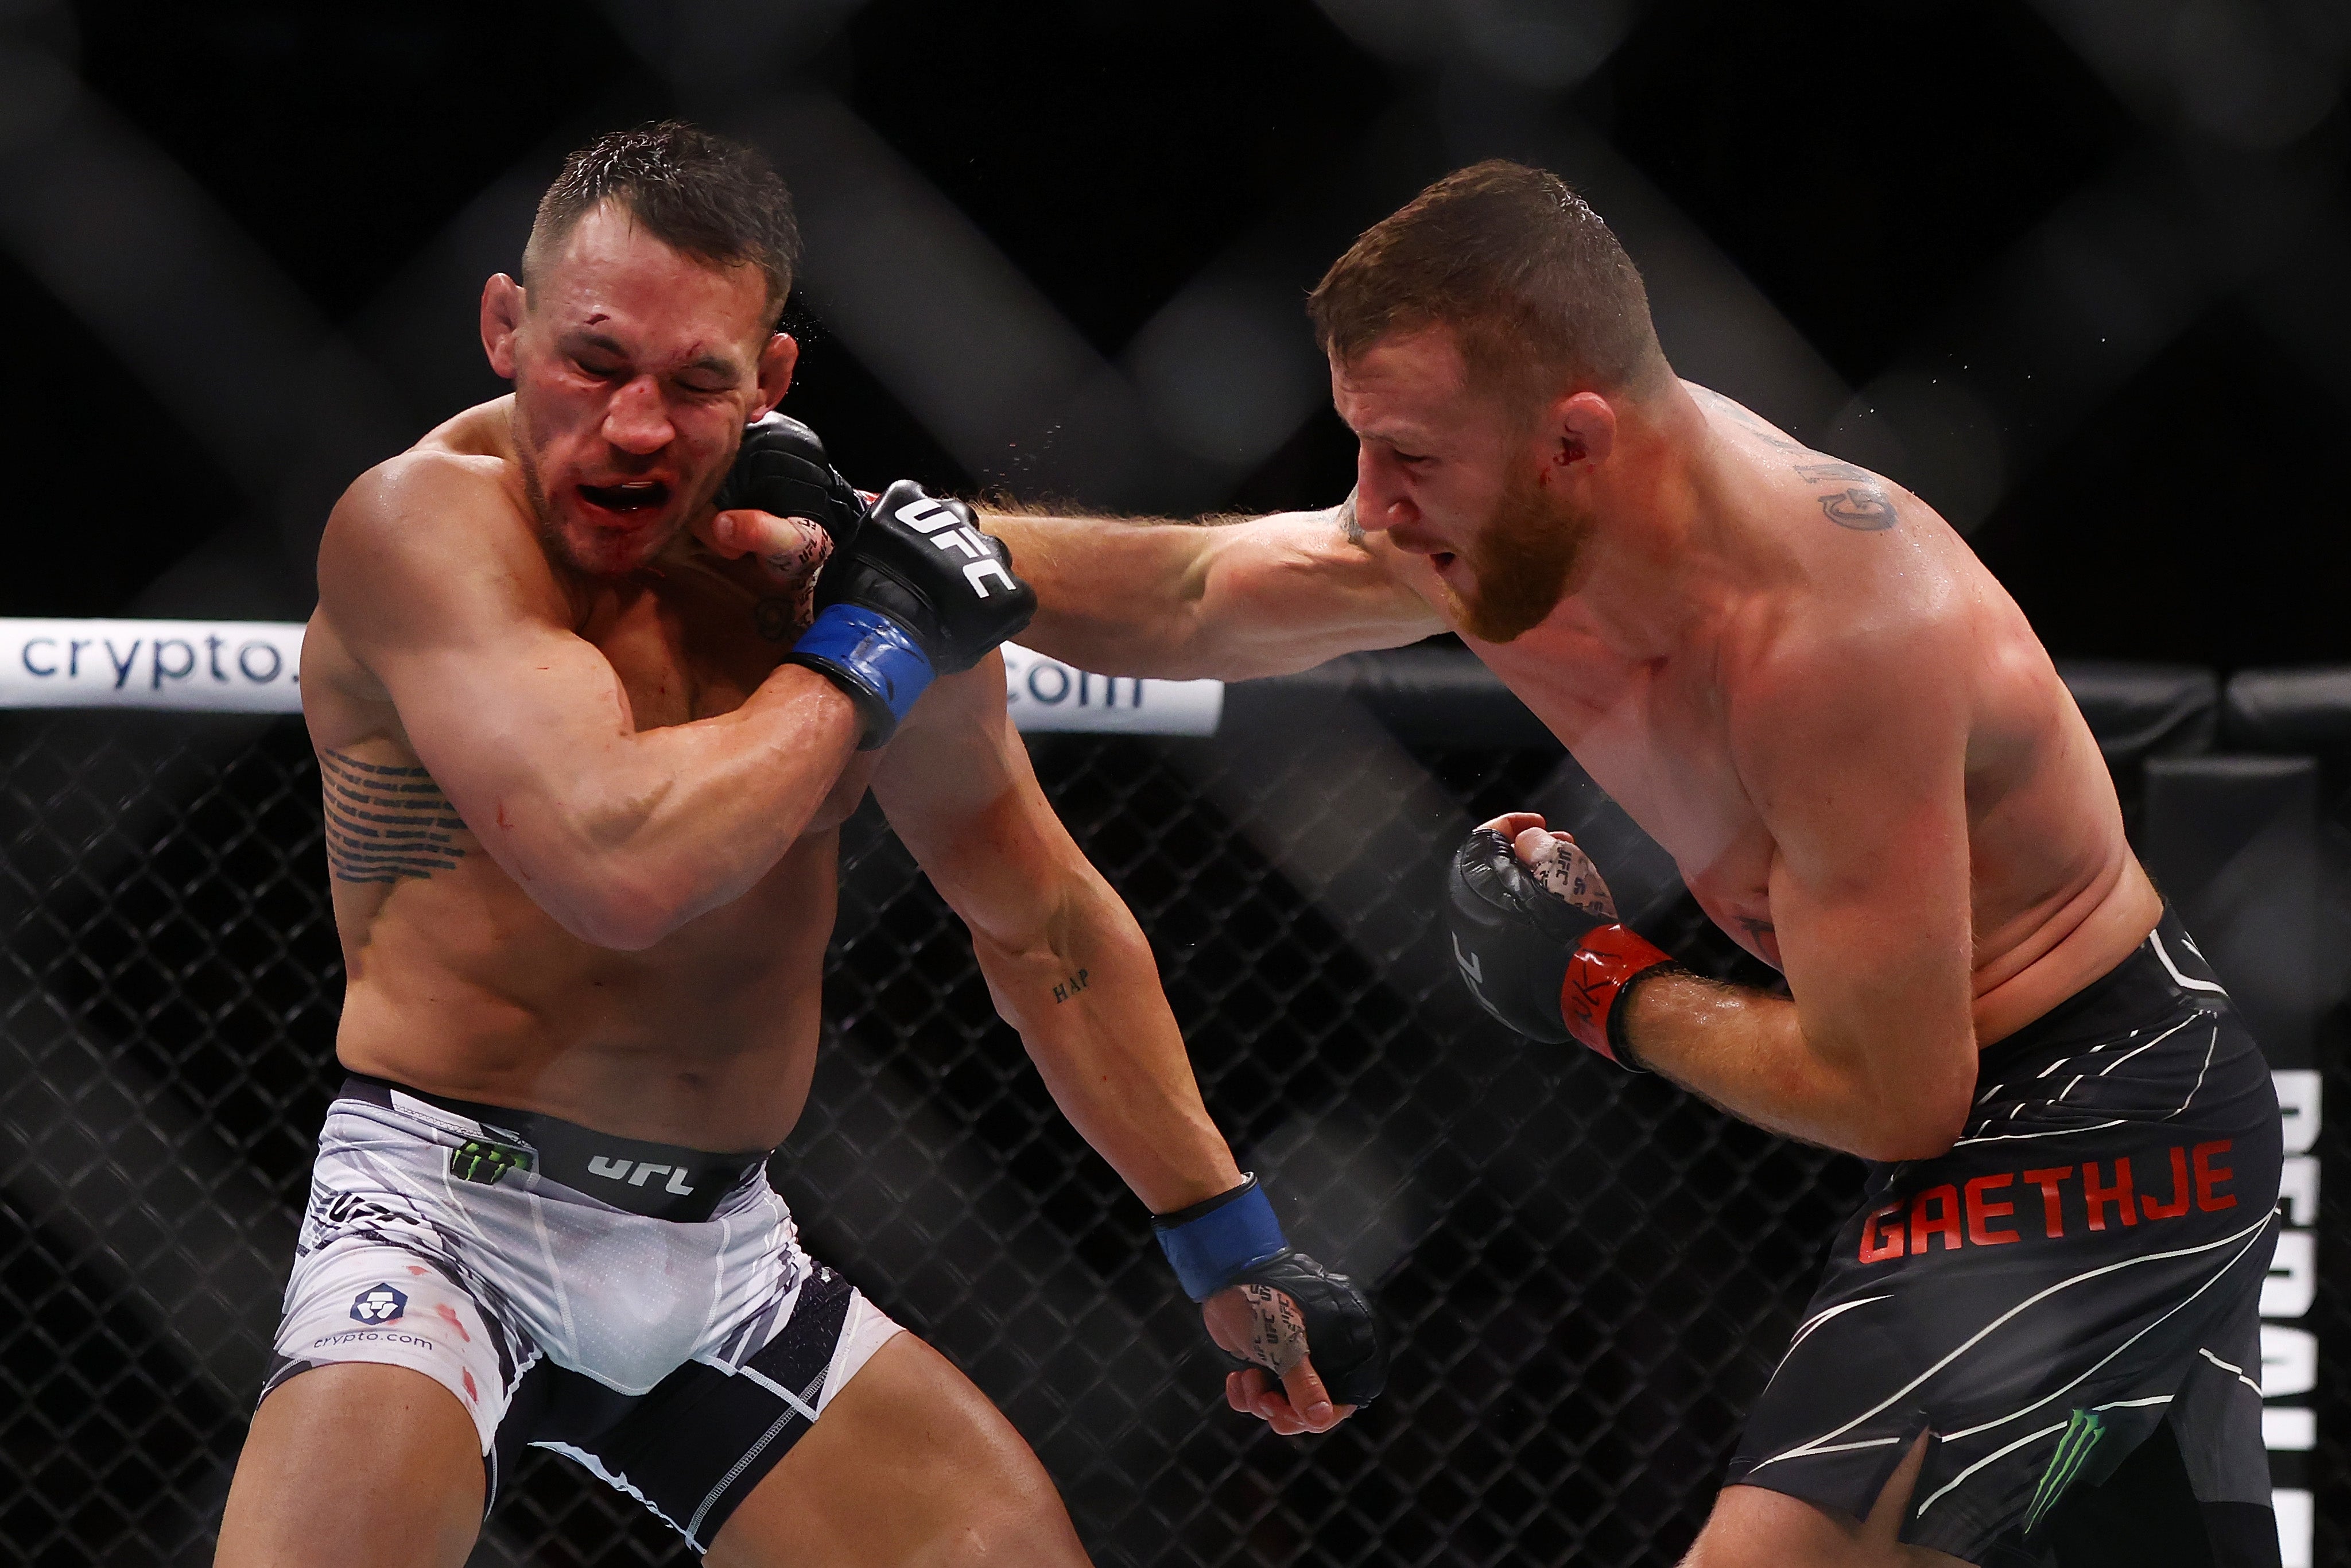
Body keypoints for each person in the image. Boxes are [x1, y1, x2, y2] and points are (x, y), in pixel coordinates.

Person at [986, 161, 2282, 1567]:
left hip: (2096, 1117)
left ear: (1572, 440)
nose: (1371, 501)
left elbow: (1897, 1091)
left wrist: (1599, 982)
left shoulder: (1833, 633)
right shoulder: (1480, 537)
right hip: (1985, 1112)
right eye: (1362, 444)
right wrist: (906, 547)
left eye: (1407, 454)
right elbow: (1191, 595)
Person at [214, 122, 1381, 1568]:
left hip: (727, 1261)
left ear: (765, 381)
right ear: (504, 331)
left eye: (695, 381)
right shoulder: (421, 528)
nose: (637, 426)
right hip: (447, 1216)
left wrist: (1224, 1235)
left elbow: (1040, 921)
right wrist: (870, 654)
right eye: (591, 362)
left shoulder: (844, 574)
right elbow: (615, 861)